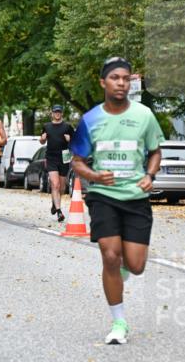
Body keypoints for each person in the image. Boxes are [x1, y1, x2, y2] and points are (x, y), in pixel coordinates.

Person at [70, 57, 164, 345]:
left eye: (126, 78)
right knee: (110, 255)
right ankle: (119, 322)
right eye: (115, 78)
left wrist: (150, 174)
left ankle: (122, 271)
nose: (121, 83)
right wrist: (96, 177)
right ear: (103, 82)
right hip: (103, 196)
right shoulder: (90, 120)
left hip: (136, 196)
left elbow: (155, 151)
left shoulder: (145, 115)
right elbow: (78, 162)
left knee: (135, 266)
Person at [40, 104, 75, 222]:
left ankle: (55, 203)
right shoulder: (47, 126)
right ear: (52, 113)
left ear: (62, 113)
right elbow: (41, 141)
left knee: (62, 186)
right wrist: (43, 139)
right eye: (55, 112)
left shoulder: (67, 127)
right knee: (55, 184)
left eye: (59, 112)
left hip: (64, 158)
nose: (57, 114)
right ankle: (59, 211)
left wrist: (70, 139)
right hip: (51, 158)